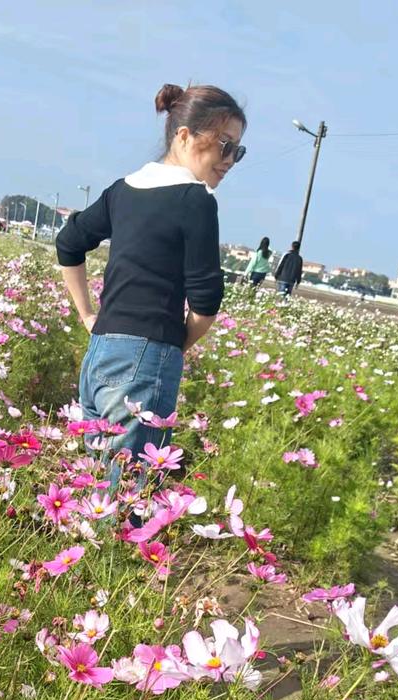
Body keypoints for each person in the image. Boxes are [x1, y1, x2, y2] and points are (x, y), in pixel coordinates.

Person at [56, 82, 245, 486]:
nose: (230, 159)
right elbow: (207, 301)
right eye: (224, 145)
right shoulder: (196, 200)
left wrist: (89, 314)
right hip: (144, 359)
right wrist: (170, 347)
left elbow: (68, 242)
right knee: (129, 499)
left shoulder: (123, 190)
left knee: (96, 489)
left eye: (238, 151)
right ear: (184, 135)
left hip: (100, 353)